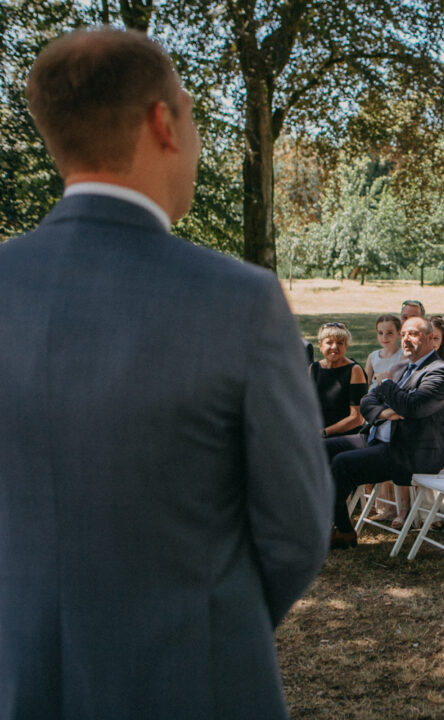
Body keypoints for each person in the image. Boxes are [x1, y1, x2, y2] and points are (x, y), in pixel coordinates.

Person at [1, 28, 331, 718]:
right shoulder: (240, 300)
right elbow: (296, 532)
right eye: (191, 113)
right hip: (194, 683)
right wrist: (210, 626)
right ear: (163, 122)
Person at [327, 316, 444, 544]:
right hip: (379, 437)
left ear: (430, 339)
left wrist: (386, 383)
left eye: (413, 334)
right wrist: (384, 412)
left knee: (342, 463)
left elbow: (413, 407)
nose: (406, 339)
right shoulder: (403, 367)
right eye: (403, 334)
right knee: (322, 449)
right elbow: (367, 401)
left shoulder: (440, 372)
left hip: (410, 452)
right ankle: (328, 520)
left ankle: (343, 530)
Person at [310, 322, 368, 437]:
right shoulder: (313, 369)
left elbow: (357, 418)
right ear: (320, 345)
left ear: (346, 346)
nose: (334, 347)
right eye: (329, 342)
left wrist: (324, 432)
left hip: (346, 436)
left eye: (340, 343)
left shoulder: (354, 370)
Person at [366, 313, 404, 383]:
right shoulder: (372, 357)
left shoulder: (403, 356)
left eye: (389, 333)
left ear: (399, 334)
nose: (384, 337)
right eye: (380, 333)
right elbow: (365, 384)